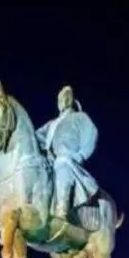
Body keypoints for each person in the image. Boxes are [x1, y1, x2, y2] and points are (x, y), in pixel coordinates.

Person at [35, 86, 99, 219]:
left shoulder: (80, 117)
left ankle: (62, 209)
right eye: (62, 97)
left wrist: (81, 155)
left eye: (67, 96)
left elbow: (91, 135)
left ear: (72, 99)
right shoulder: (52, 124)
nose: (65, 99)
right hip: (50, 160)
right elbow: (36, 137)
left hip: (67, 159)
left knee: (61, 164)